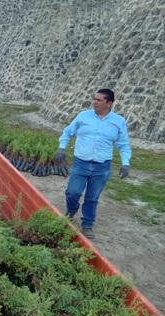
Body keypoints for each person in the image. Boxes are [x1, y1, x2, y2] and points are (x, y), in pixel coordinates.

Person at [56, 88, 131, 239]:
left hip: (101, 167)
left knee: (92, 197)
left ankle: (87, 225)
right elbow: (68, 131)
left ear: (109, 103)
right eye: (94, 99)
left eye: (99, 100)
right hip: (81, 163)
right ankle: (72, 209)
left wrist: (125, 163)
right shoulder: (84, 116)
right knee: (73, 192)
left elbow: (123, 144)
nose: (94, 102)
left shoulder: (118, 121)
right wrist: (61, 148)